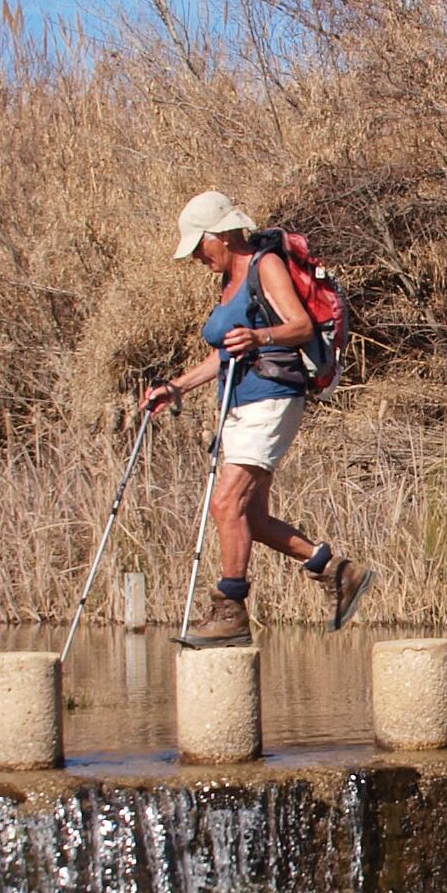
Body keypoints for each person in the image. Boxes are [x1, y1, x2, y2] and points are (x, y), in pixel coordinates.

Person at [135, 190, 369, 645]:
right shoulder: (228, 280)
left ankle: (230, 610)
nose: (197, 257)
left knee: (226, 504)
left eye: (199, 246)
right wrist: (176, 387)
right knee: (252, 518)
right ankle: (337, 571)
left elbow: (299, 326)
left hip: (272, 398)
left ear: (221, 235)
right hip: (240, 404)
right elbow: (223, 354)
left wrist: (260, 337)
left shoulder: (266, 265)